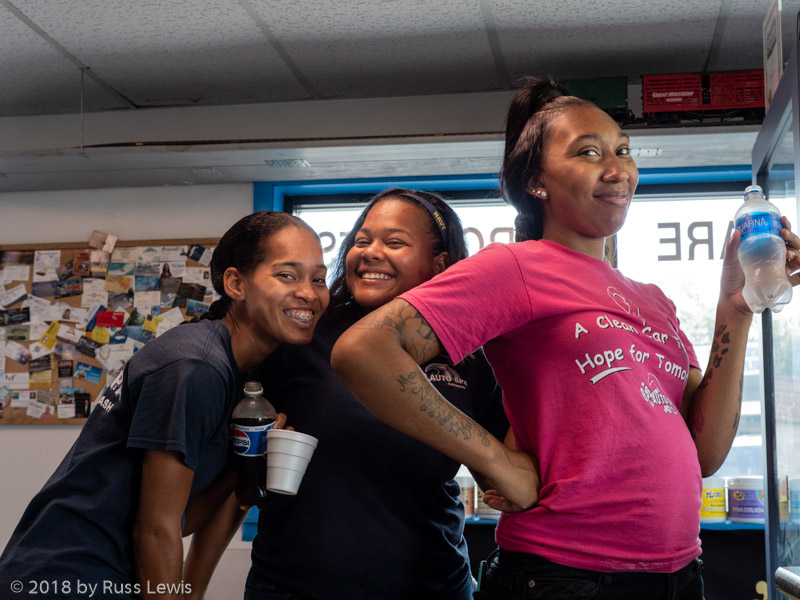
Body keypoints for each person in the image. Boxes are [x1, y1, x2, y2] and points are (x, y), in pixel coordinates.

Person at [331, 77, 800, 600]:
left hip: (679, 572)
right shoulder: (516, 268)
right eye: (588, 153)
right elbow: (364, 350)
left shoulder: (652, 300)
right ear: (537, 181)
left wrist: (735, 307)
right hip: (565, 575)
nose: (617, 169)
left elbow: (704, 452)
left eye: (623, 150)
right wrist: (494, 460)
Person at [0, 211, 329, 599]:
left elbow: (182, 520)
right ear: (236, 283)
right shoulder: (196, 367)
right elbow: (156, 529)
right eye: (287, 275)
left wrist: (247, 462)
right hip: (65, 576)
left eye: (319, 279)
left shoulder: (237, 374)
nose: (309, 293)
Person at [244, 188, 512, 600]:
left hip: (433, 587)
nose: (369, 252)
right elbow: (237, 442)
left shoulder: (470, 357)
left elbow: (504, 472)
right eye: (362, 240)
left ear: (439, 264)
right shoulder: (305, 335)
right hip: (293, 587)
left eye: (394, 242)